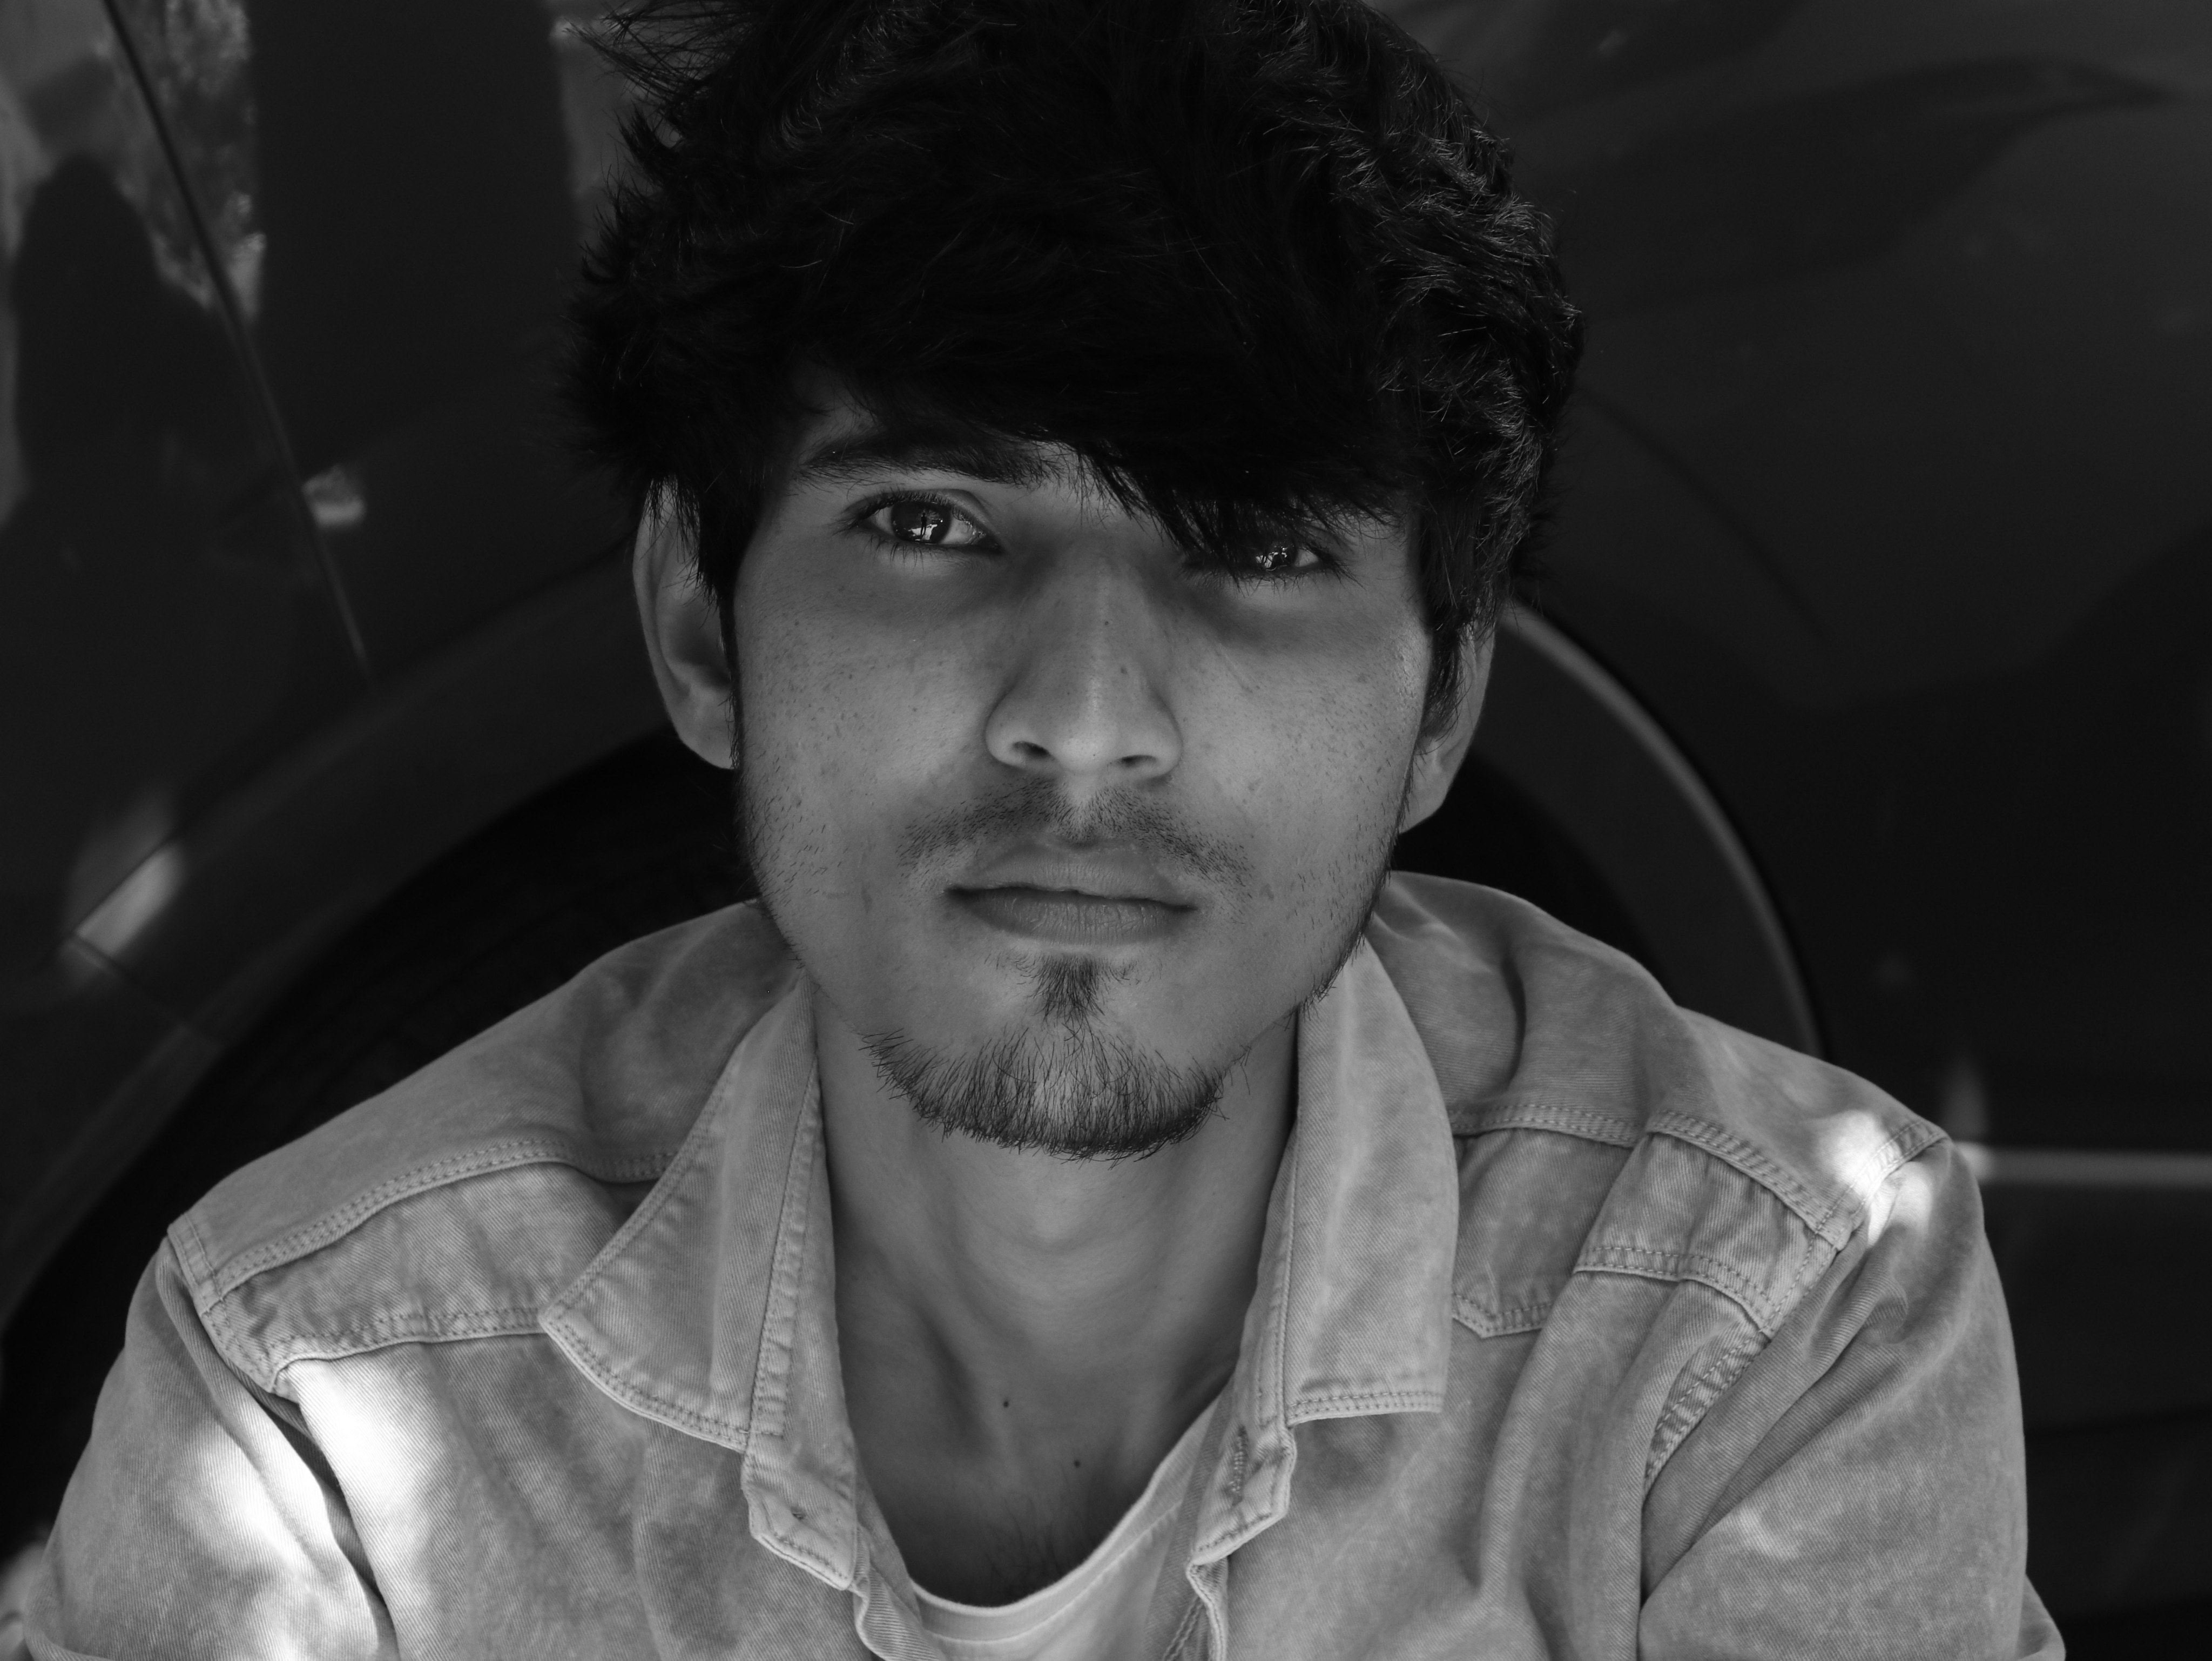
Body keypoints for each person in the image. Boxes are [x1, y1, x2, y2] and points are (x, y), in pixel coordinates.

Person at [22, 0, 2056, 1656]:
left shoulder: (1768, 1328)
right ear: (698, 625)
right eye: (930, 522)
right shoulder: (314, 1399)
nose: (1084, 722)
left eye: (1257, 545)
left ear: (1441, 699)